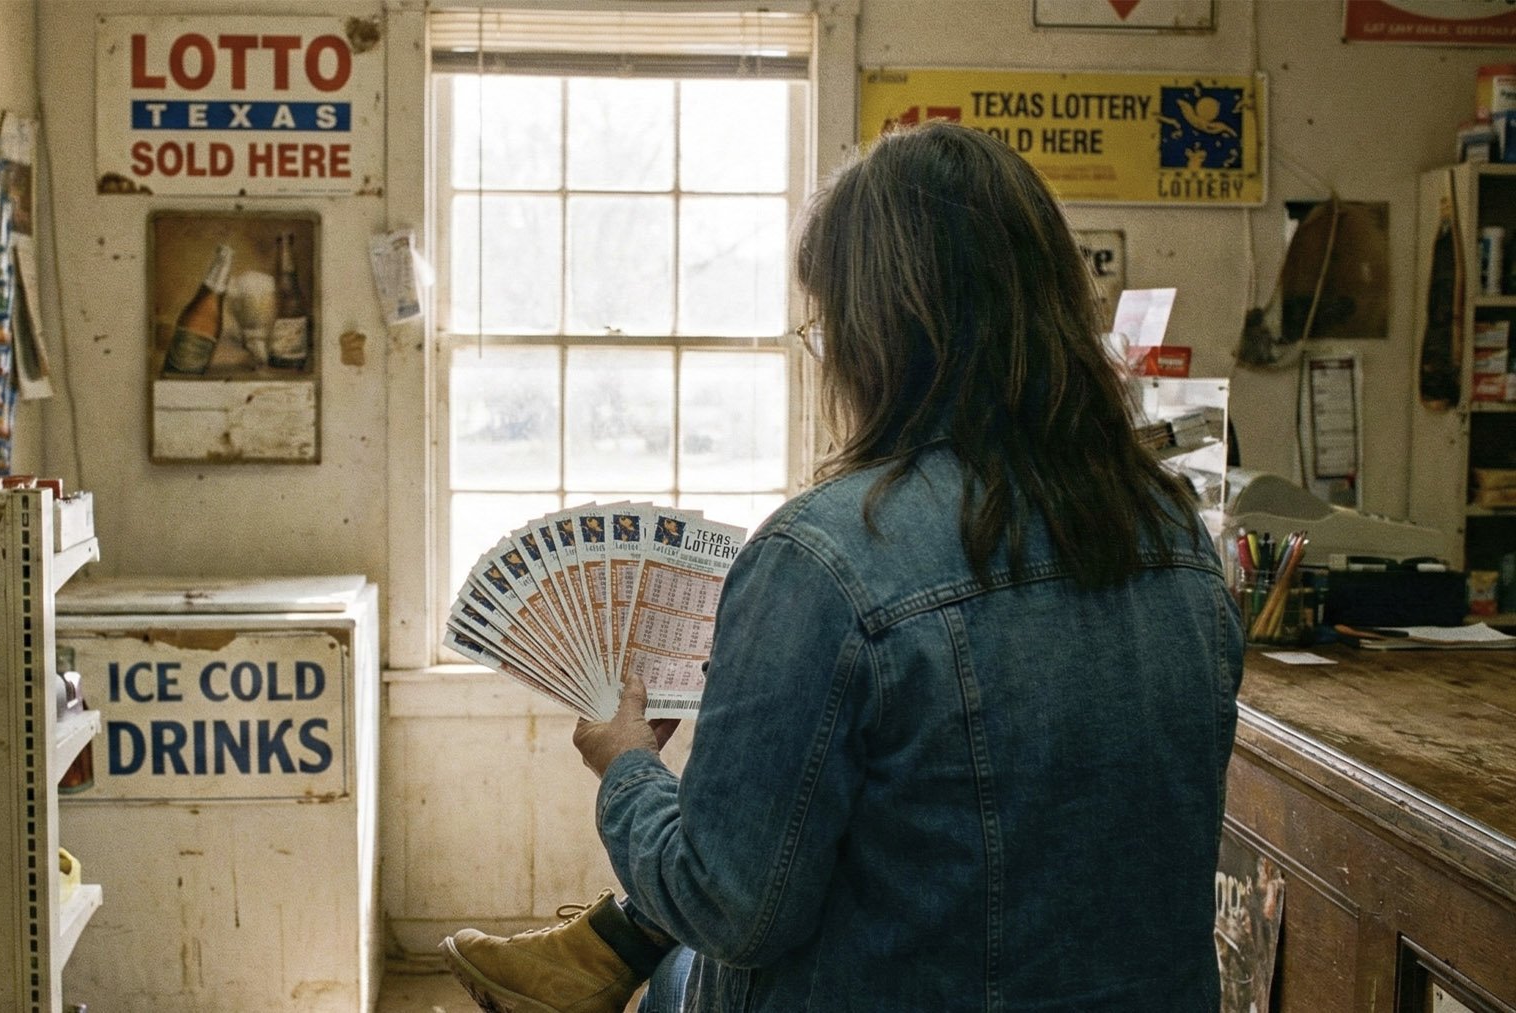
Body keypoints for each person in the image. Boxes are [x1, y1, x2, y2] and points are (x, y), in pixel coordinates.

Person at [441, 121, 1244, 1013]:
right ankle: (600, 949)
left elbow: (732, 906)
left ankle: (599, 953)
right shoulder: (1175, 533)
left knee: (681, 973)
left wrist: (628, 766)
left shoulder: (824, 558)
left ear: (873, 335)